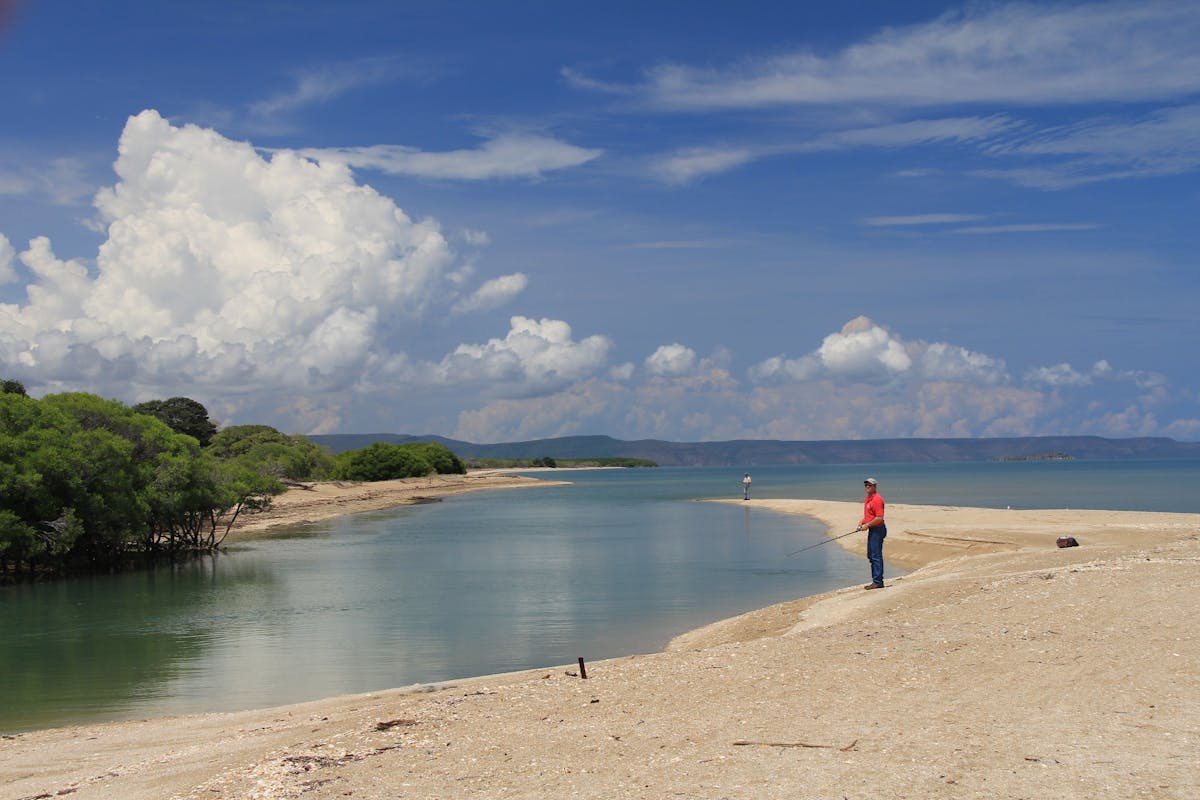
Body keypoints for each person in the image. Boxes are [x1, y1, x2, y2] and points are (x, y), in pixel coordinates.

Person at [856, 477, 886, 589]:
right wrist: (862, 521)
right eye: (866, 485)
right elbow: (870, 515)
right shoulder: (868, 498)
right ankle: (876, 580)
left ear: (875, 486)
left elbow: (879, 518)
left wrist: (867, 525)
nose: (867, 487)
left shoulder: (877, 499)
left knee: (876, 556)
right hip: (873, 529)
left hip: (878, 530)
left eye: (870, 485)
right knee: (871, 555)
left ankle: (878, 582)